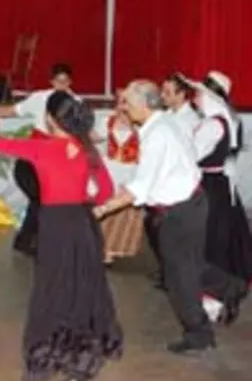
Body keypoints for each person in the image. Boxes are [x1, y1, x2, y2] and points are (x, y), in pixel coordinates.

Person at [0, 91, 122, 381]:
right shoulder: (87, 149)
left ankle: (47, 357)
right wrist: (84, 202)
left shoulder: (42, 148)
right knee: (82, 288)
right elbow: (105, 191)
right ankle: (81, 360)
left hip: (55, 225)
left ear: (50, 119)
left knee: (52, 290)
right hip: (82, 224)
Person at [93, 80, 246, 354]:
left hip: (179, 210)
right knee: (191, 264)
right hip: (190, 202)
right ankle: (230, 286)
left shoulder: (157, 135)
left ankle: (199, 334)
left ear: (143, 105)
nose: (123, 107)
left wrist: (102, 209)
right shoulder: (166, 122)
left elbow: (141, 187)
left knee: (179, 277)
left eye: (127, 102)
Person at [0, 63, 77, 256]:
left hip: (55, 163)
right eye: (58, 81)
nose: (61, 85)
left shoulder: (76, 103)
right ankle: (31, 240)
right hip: (31, 161)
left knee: (44, 200)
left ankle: (30, 240)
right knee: (40, 198)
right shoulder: (40, 98)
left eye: (65, 82)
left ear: (70, 82)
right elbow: (14, 110)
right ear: (52, 82)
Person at [185, 71, 252, 322]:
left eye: (199, 93)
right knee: (218, 238)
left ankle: (214, 297)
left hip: (210, 186)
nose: (195, 97)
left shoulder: (213, 125)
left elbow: (192, 155)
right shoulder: (226, 121)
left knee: (210, 240)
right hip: (220, 185)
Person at [99, 90, 143, 264]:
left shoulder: (140, 126)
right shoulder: (107, 122)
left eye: (126, 103)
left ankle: (114, 247)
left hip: (130, 170)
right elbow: (95, 139)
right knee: (105, 203)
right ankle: (100, 247)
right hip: (110, 169)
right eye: (120, 102)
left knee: (124, 208)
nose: (122, 107)